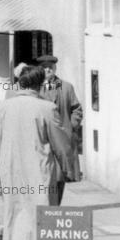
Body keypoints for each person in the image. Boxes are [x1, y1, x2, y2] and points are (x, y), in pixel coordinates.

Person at [0, 65, 72, 240]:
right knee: (31, 221)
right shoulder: (46, 108)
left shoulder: (3, 107)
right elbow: (61, 144)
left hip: (11, 172)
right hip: (39, 173)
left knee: (21, 219)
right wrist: (69, 169)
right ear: (39, 84)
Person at [37, 55, 83, 196]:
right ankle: (45, 210)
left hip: (61, 140)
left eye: (50, 67)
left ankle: (54, 210)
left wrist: (71, 126)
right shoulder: (35, 88)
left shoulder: (66, 87)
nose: (48, 70)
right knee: (42, 176)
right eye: (45, 67)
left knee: (59, 177)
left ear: (55, 68)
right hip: (42, 140)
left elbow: (77, 109)